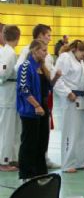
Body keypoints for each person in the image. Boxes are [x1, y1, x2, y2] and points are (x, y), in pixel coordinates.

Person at [17, 40, 61, 181]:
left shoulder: (42, 67)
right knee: (29, 142)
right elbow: (24, 88)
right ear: (35, 50)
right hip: (30, 110)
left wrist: (56, 78)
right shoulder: (26, 66)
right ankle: (27, 173)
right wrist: (36, 105)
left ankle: (40, 171)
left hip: (43, 108)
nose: (46, 52)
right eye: (43, 50)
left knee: (42, 142)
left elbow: (48, 87)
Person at [54, 40, 84, 173]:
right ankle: (67, 162)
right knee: (70, 131)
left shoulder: (80, 61)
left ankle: (80, 160)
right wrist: (67, 93)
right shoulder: (65, 58)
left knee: (82, 132)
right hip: (70, 98)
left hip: (82, 98)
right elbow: (57, 78)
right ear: (76, 49)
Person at [0, 25, 21, 172]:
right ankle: (3, 161)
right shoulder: (9, 53)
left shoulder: (6, 51)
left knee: (10, 128)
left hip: (8, 94)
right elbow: (3, 72)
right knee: (7, 129)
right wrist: (3, 79)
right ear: (18, 37)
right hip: (8, 94)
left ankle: (10, 157)